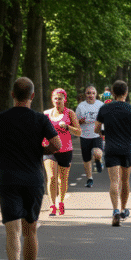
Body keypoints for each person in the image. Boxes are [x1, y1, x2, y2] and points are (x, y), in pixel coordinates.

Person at [0, 77, 63, 260]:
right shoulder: (40, 119)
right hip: (33, 180)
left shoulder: (0, 119)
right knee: (30, 231)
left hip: (8, 180)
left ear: (12, 95)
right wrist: (41, 149)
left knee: (12, 231)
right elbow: (57, 145)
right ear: (32, 96)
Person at [95, 80, 131, 226]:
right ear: (126, 93)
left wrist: (106, 133)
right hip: (127, 148)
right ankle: (123, 209)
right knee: (125, 181)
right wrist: (130, 133)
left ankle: (115, 210)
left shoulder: (104, 108)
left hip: (111, 148)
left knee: (114, 181)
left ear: (112, 93)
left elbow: (96, 129)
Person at [43, 88, 80, 216]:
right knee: (51, 177)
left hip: (65, 149)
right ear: (52, 100)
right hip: (49, 149)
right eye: (55, 98)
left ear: (65, 100)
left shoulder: (70, 113)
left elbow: (78, 132)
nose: (57, 101)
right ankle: (52, 205)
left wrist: (68, 127)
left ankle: (61, 202)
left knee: (62, 179)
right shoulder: (46, 114)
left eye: (60, 98)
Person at [75, 85, 106, 188]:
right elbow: (75, 122)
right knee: (86, 159)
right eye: (88, 93)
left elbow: (105, 118)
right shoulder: (81, 106)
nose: (91, 95)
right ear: (85, 94)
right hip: (84, 135)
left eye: (93, 93)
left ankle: (98, 160)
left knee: (97, 153)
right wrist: (80, 121)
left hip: (97, 134)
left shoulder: (100, 105)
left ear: (96, 94)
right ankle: (89, 179)